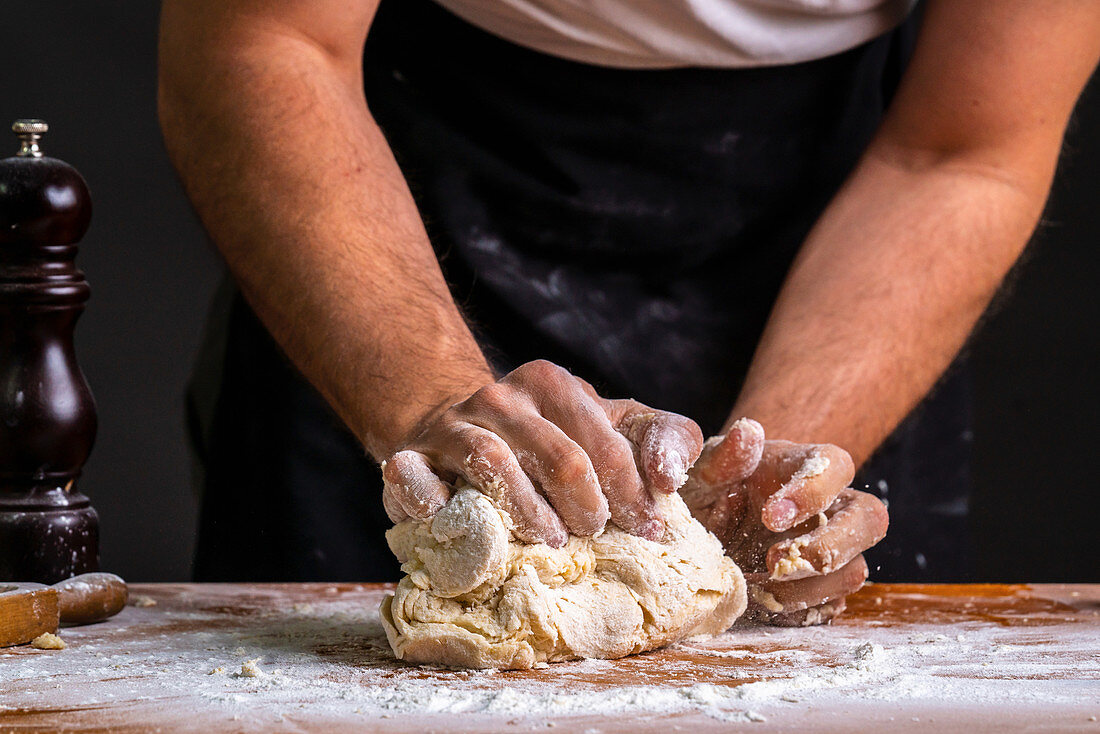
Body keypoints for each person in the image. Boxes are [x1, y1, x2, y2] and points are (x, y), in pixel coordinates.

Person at [158, 0, 1100, 624]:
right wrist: (428, 392)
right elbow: (265, 38)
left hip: (843, 244)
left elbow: (962, 152)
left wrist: (764, 486)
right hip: (390, 190)